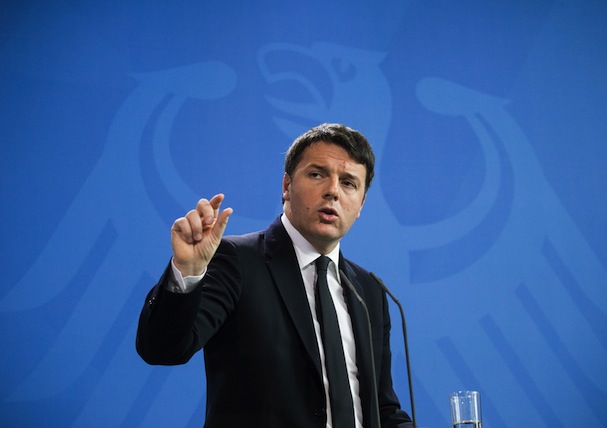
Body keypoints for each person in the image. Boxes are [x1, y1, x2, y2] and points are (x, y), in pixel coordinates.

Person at [136, 123, 413, 427]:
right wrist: (188, 271)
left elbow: (382, 409)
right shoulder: (237, 260)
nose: (333, 191)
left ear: (360, 204)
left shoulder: (368, 291)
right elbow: (163, 348)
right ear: (286, 186)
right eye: (317, 174)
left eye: (348, 183)